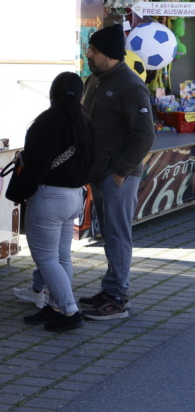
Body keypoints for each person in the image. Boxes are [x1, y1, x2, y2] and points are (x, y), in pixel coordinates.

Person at [80, 23, 155, 320]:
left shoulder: (131, 85)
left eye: (94, 50)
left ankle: (117, 298)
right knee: (109, 234)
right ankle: (109, 288)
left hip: (118, 174)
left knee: (118, 235)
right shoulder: (95, 80)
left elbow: (145, 135)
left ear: (109, 54)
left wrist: (121, 171)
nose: (88, 54)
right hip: (100, 172)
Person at [19, 72, 95, 333]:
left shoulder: (45, 123)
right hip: (74, 196)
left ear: (53, 93)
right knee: (62, 257)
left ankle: (69, 310)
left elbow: (35, 165)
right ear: (81, 94)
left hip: (48, 196)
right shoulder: (86, 122)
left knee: (46, 258)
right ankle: (55, 307)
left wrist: (25, 190)